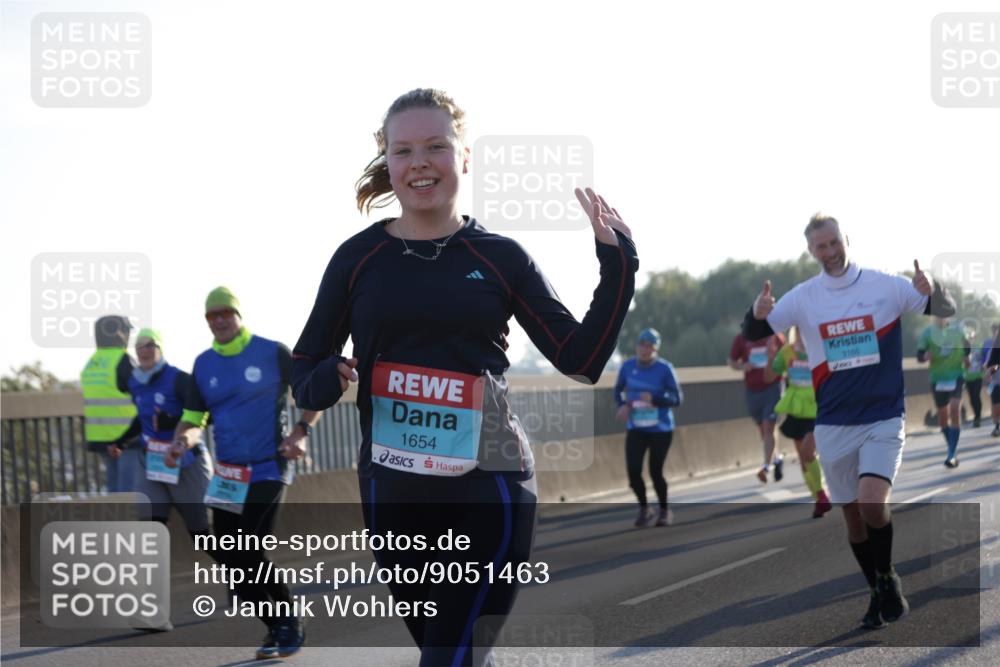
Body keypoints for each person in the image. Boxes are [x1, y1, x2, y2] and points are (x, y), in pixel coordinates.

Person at [291, 88, 637, 667]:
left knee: (447, 659)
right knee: (453, 652)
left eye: (436, 146)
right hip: (393, 488)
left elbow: (580, 358)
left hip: (491, 479)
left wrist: (618, 264)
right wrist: (325, 379)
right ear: (388, 162)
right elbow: (303, 370)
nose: (419, 162)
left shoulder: (500, 257)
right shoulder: (356, 260)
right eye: (402, 151)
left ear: (465, 157)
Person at [744, 212, 955, 630]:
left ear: (846, 239)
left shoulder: (886, 286)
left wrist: (935, 289)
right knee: (853, 517)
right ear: (811, 251)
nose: (830, 252)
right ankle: (877, 587)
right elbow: (754, 331)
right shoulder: (804, 297)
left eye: (834, 243)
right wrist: (756, 311)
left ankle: (888, 574)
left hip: (882, 415)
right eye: (820, 247)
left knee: (873, 500)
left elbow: (942, 307)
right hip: (834, 422)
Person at [168, 287, 322, 659]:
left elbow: (311, 394)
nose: (219, 320)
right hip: (228, 475)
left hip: (269, 466)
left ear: (238, 315)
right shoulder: (203, 364)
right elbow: (193, 419)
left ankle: (289, 621)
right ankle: (275, 626)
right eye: (211, 316)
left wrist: (301, 432)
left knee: (248, 547)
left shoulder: (272, 351)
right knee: (227, 554)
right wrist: (180, 442)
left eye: (225, 313)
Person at [118, 328, 212, 539]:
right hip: (152, 461)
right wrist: (120, 441)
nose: (145, 350)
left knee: (202, 533)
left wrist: (172, 419)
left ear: (161, 349)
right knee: (149, 527)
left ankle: (240, 568)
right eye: (140, 346)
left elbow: (205, 414)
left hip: (185, 461)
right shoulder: (135, 383)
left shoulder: (179, 379)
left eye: (150, 345)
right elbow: (143, 419)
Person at [614, 328, 683, 527]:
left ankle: (664, 510)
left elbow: (677, 398)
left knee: (655, 472)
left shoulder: (665, 369)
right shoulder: (627, 367)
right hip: (636, 426)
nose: (645, 350)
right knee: (633, 471)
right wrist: (622, 405)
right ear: (637, 347)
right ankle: (645, 508)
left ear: (656, 349)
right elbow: (618, 391)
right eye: (642, 345)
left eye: (650, 347)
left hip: (661, 429)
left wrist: (655, 398)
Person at [764, 325, 832, 518]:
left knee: (807, 451)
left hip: (818, 406)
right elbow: (769, 377)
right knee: (804, 460)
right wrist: (770, 356)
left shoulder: (821, 348)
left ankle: (822, 494)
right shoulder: (787, 352)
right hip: (796, 410)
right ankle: (819, 499)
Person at [80, 314, 141, 493]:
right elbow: (142, 391)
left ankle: (115, 520)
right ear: (120, 333)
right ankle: (127, 522)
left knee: (114, 489)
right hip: (126, 436)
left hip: (100, 435)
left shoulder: (92, 362)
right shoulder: (122, 360)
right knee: (129, 491)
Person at [729, 329, 786, 483]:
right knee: (764, 430)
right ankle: (777, 458)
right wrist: (742, 366)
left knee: (769, 426)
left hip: (772, 388)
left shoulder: (775, 336)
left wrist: (774, 360)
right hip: (753, 390)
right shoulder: (742, 337)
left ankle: (766, 466)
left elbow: (787, 359)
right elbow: (731, 361)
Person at [916, 317, 970, 467]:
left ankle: (952, 453)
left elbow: (967, 346)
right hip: (938, 378)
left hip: (957, 375)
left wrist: (966, 357)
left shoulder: (957, 329)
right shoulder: (927, 333)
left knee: (954, 409)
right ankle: (951, 446)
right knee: (942, 417)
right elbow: (919, 355)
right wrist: (925, 356)